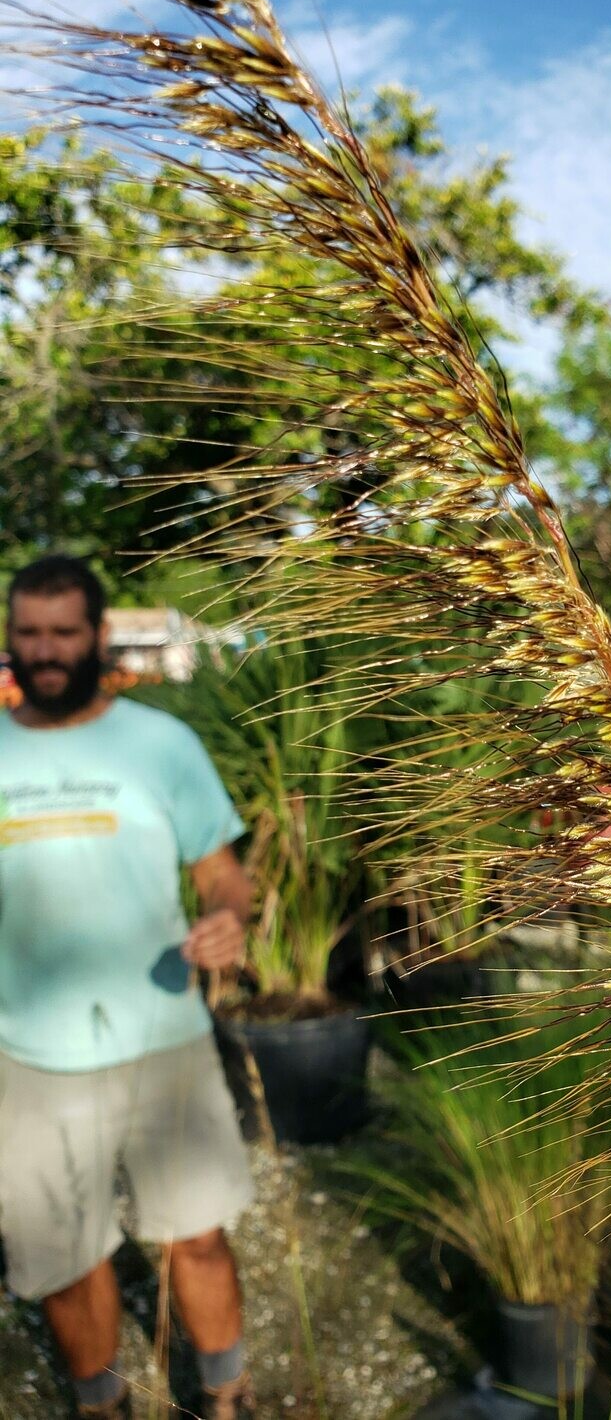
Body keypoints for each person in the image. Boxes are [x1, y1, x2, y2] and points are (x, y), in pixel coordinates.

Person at [0, 555, 257, 1419]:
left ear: (97, 637)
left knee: (200, 1238)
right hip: (28, 1058)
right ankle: (101, 1406)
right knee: (64, 1266)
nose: (44, 650)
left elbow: (223, 873)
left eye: (63, 632)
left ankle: (225, 1397)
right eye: (28, 631)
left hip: (164, 1045)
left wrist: (228, 917)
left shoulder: (160, 743)